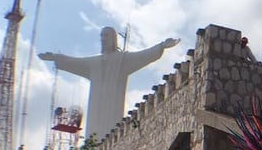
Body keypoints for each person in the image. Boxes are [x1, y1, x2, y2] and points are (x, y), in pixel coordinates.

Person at [39, 27, 179, 141]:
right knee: (93, 141)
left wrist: (161, 46)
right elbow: (74, 61)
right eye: (101, 36)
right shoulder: (93, 63)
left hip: (113, 108)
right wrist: (56, 57)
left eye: (106, 36)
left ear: (113, 39)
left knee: (110, 135)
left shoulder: (123, 60)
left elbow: (143, 55)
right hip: (95, 110)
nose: (103, 39)